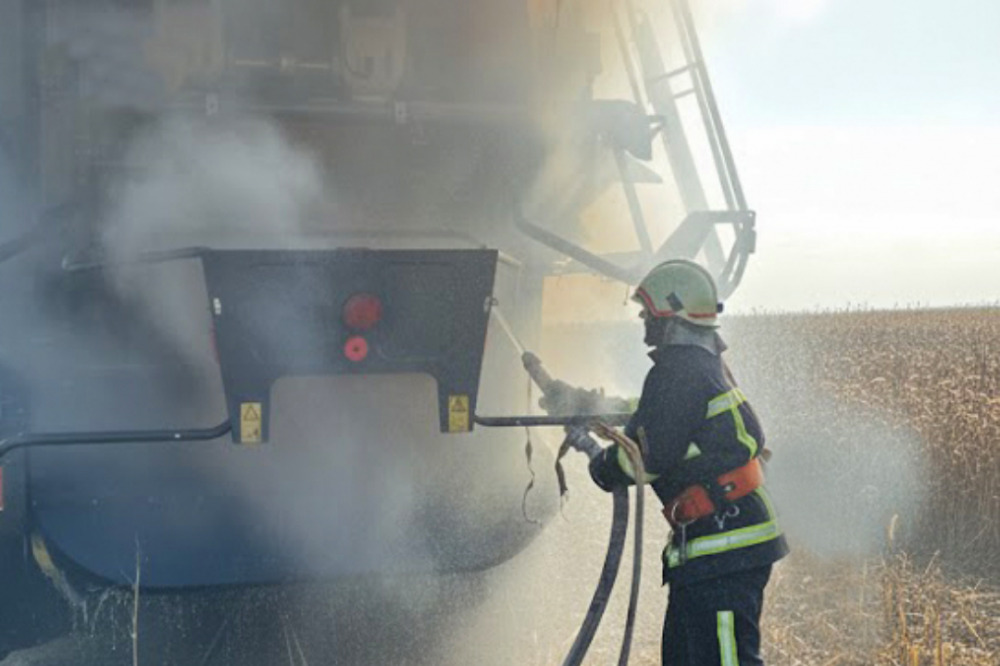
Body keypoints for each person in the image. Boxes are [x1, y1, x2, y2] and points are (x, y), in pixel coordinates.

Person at [588, 259, 788, 666]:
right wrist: (592, 405)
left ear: (671, 314)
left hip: (725, 547)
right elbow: (658, 417)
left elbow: (649, 457)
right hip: (719, 543)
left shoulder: (679, 371)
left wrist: (601, 464)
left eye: (648, 313)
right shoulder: (698, 366)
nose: (643, 323)